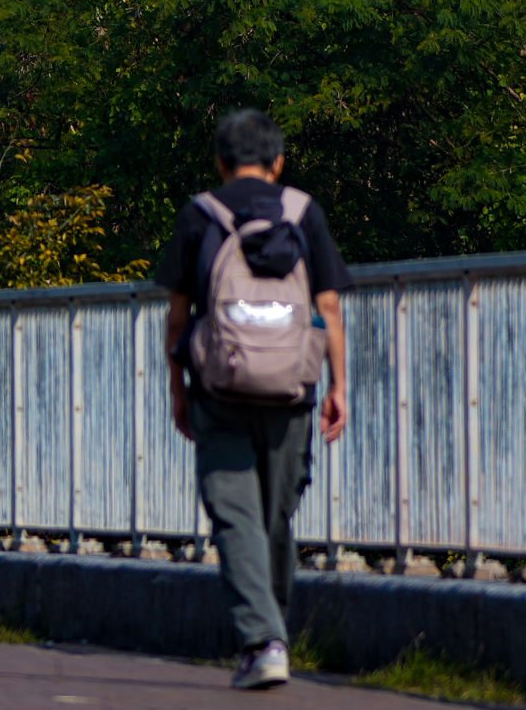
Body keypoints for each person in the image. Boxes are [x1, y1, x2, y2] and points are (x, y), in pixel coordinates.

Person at [159, 107, 351, 690]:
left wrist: (178, 389)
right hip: (292, 390)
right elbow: (331, 307)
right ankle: (272, 632)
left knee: (234, 514)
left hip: (219, 389)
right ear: (278, 162)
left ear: (220, 163)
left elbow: (177, 316)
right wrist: (338, 385)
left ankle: (263, 640)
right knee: (274, 517)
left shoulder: (202, 215)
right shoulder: (303, 212)